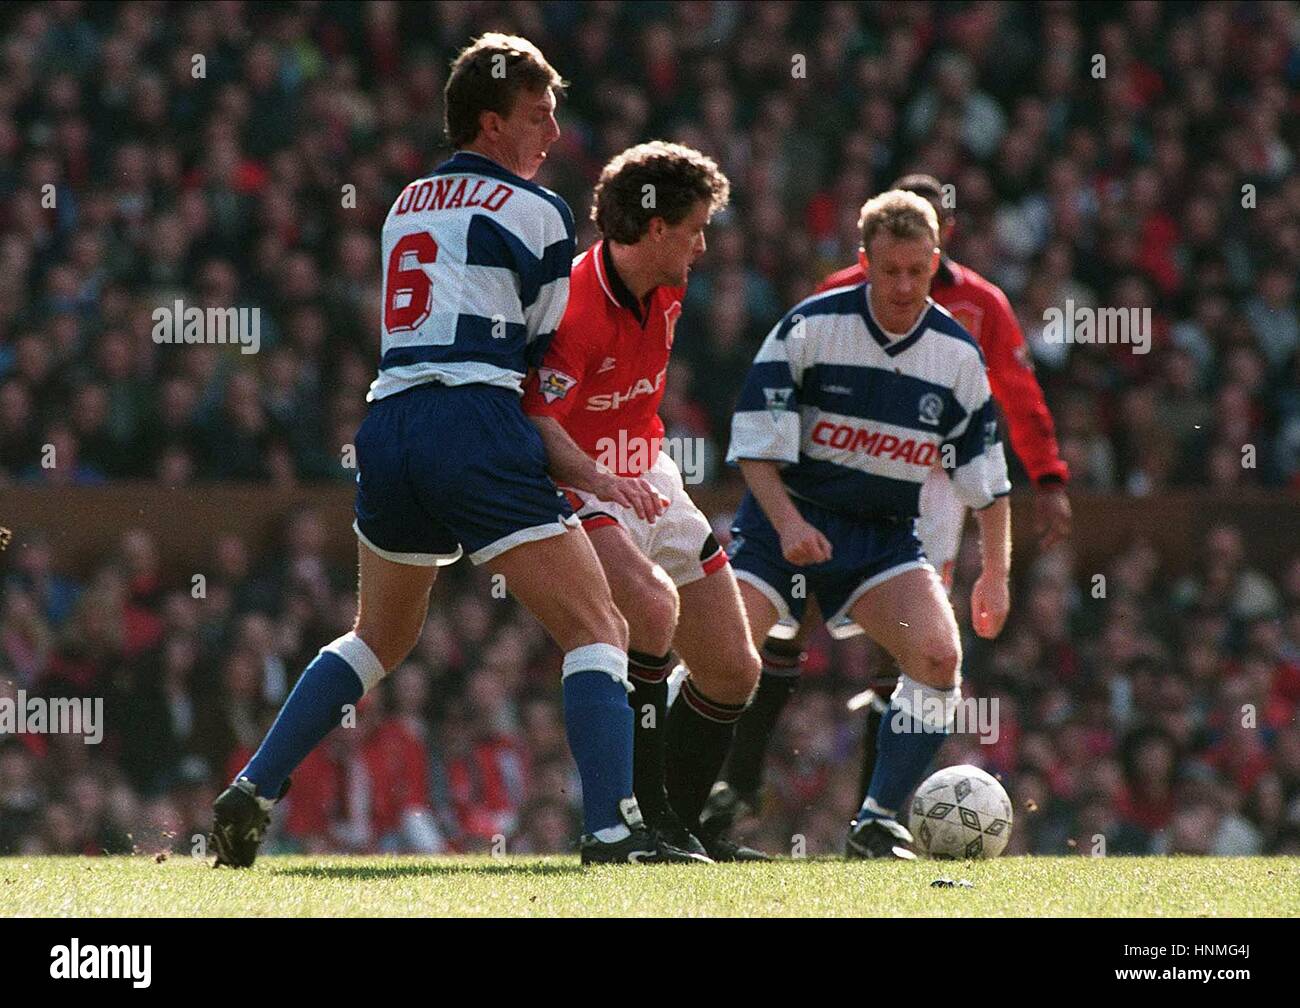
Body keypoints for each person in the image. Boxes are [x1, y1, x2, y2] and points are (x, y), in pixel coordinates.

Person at [210, 34, 705, 867]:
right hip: (473, 419)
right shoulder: (540, 214)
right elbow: (540, 371)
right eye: (538, 116)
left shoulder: (407, 202)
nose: (553, 134)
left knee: (376, 636)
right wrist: (590, 475)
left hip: (388, 422)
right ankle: (614, 831)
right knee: (599, 624)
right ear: (490, 120)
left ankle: (254, 786)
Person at [702, 175, 1070, 847]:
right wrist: (788, 523)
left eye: (916, 269)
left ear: (938, 254)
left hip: (905, 503)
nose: (903, 285)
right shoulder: (819, 317)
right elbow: (757, 437)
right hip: (801, 505)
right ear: (866, 260)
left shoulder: (968, 332)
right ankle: (706, 796)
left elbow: (992, 468)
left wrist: (1005, 559)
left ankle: (875, 820)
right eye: (889, 270)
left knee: (929, 655)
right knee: (742, 647)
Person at [521, 142, 765, 860]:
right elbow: (538, 423)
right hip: (577, 479)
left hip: (647, 470)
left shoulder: (670, 285)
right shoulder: (572, 307)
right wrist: (600, 481)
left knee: (733, 667)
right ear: (655, 228)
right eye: (694, 228)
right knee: (653, 608)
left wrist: (637, 469)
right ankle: (636, 816)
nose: (704, 243)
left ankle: (679, 826)